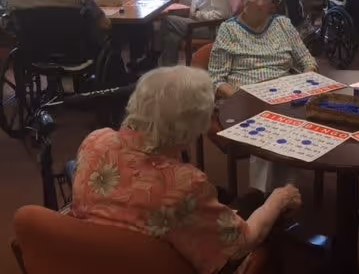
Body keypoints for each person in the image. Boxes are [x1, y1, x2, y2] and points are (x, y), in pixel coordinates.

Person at [70, 66, 302, 274]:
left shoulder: (95, 141)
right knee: (266, 210)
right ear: (193, 124)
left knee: (247, 198)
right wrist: (279, 199)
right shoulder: (185, 183)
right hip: (159, 263)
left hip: (89, 259)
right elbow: (244, 241)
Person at [209, 0, 317, 191]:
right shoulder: (228, 30)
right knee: (270, 130)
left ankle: (283, 195)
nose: (260, 3)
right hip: (244, 100)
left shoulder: (283, 24)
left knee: (305, 122)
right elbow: (216, 80)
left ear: (272, 0)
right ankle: (267, 198)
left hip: (285, 97)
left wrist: (306, 80)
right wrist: (244, 96)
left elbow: (308, 61)